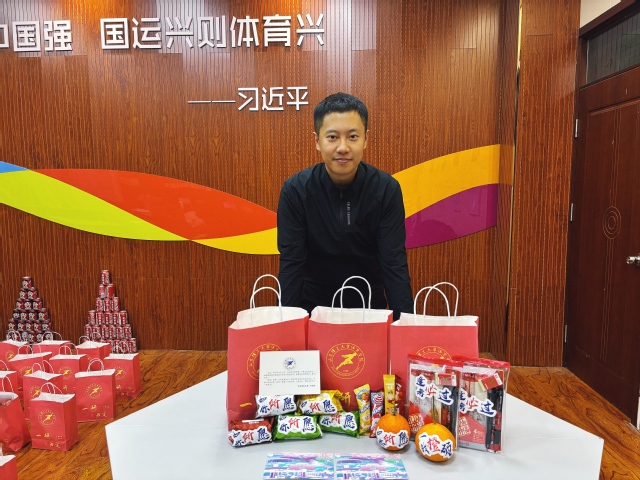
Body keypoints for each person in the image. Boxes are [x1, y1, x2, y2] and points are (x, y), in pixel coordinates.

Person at [277, 92, 413, 319]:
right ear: (317, 141)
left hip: (369, 311)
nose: (343, 147)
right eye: (332, 137)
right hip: (312, 311)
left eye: (352, 136)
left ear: (365, 139)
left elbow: (394, 264)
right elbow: (291, 264)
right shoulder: (296, 191)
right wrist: (286, 327)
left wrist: (405, 326)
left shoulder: (386, 189)